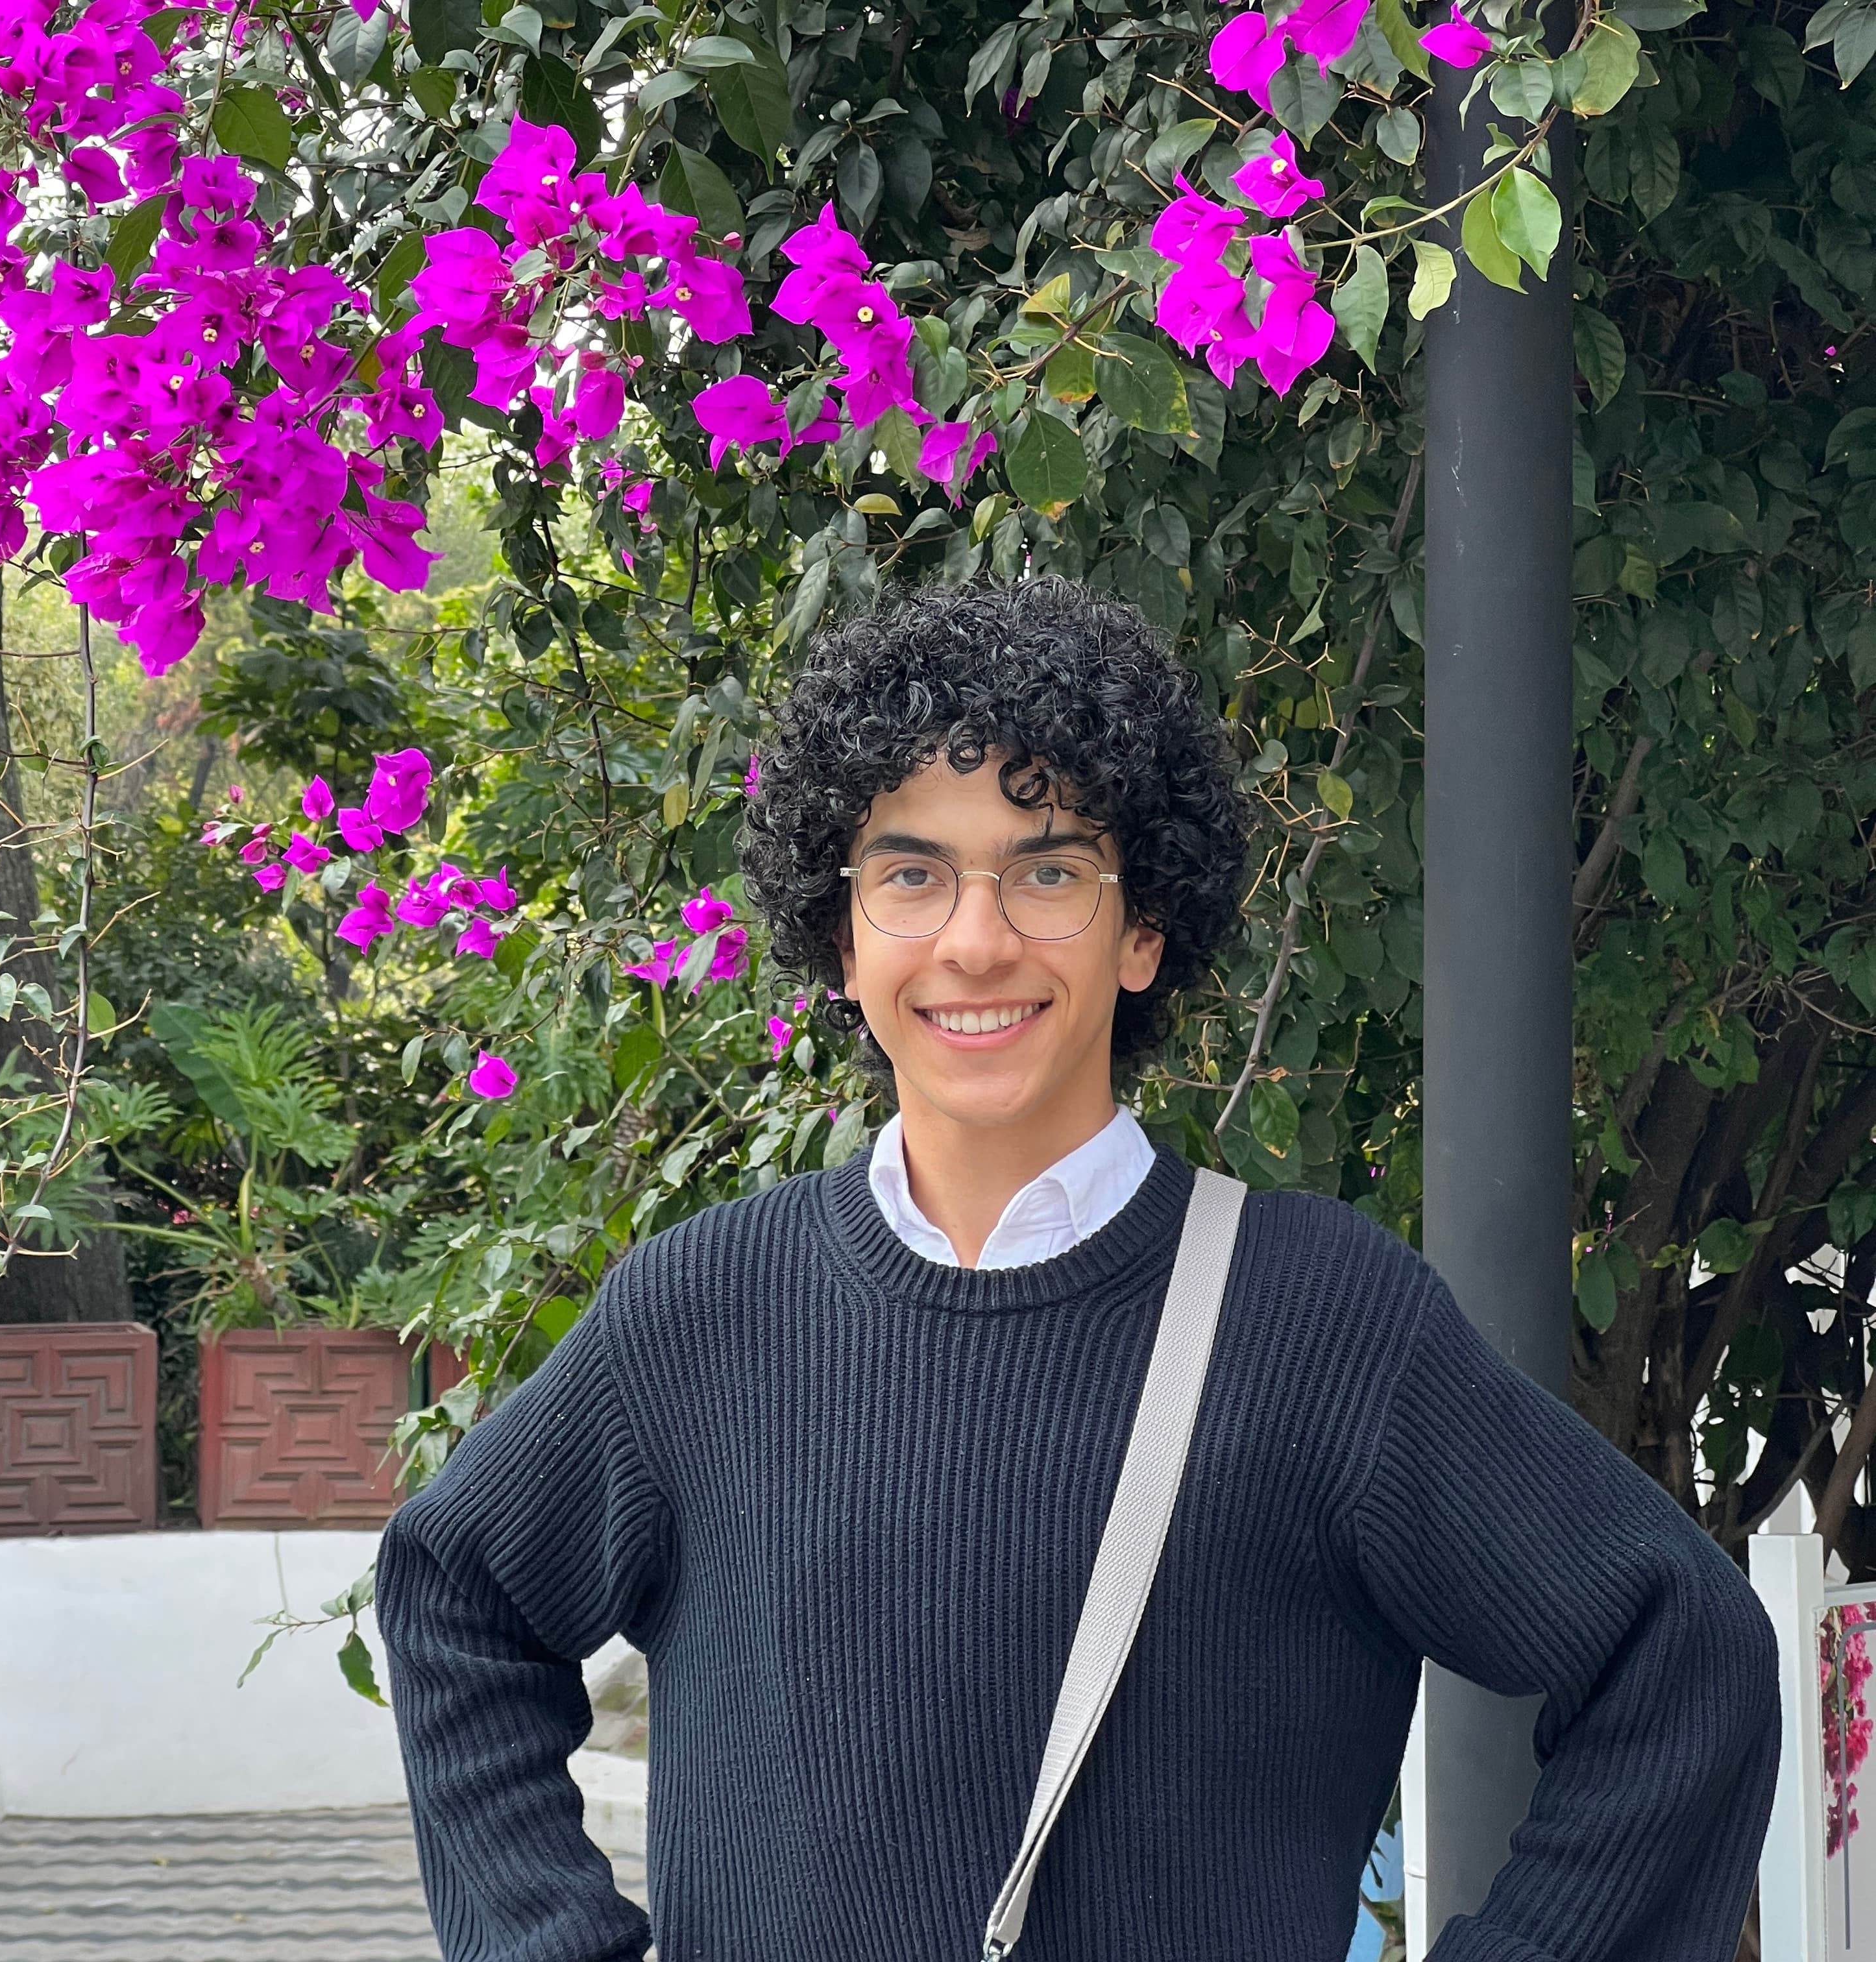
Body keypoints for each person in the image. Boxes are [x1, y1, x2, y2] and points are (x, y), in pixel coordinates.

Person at [375, 578, 1779, 1962]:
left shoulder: (1322, 1325)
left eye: (1049, 871)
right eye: (911, 873)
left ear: (1145, 931)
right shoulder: (698, 1315)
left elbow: (1684, 1656)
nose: (975, 939)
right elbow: (458, 1593)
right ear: (843, 935)